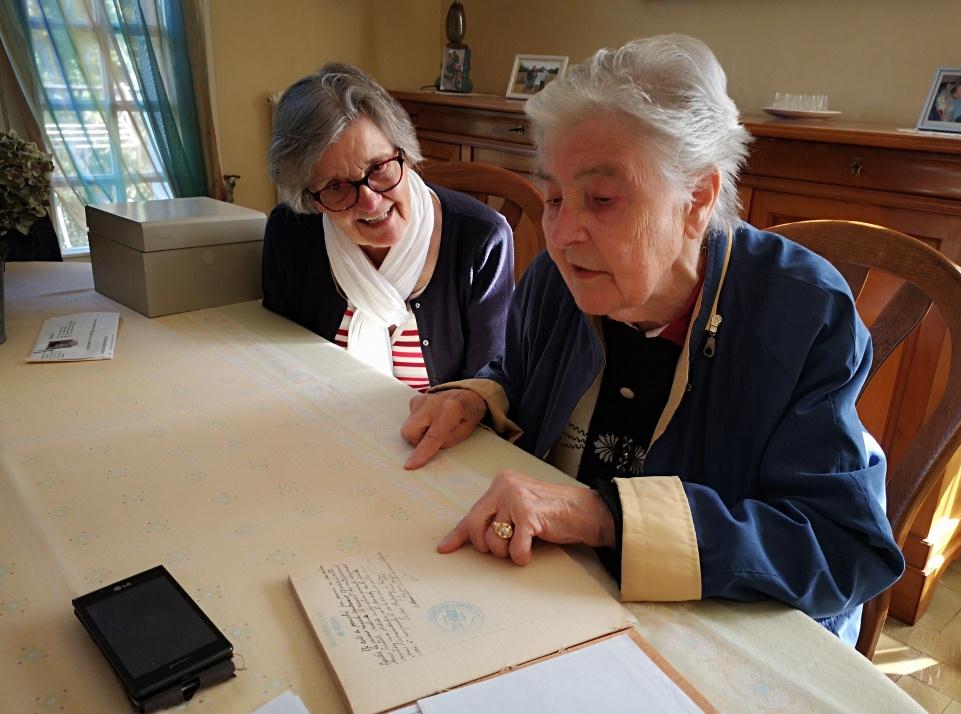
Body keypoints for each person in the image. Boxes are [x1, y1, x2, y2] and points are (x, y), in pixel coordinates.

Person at [400, 34, 904, 646]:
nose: (559, 233)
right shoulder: (559, 282)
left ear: (697, 199)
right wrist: (477, 397)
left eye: (602, 199)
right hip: (550, 598)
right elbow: (520, 374)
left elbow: (841, 545)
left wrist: (607, 517)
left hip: (717, 633)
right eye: (554, 196)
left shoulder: (803, 313)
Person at [264, 64, 514, 391]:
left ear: (405, 154)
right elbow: (278, 363)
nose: (370, 202)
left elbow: (486, 390)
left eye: (378, 167)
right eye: (336, 186)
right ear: (312, 200)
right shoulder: (290, 233)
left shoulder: (481, 241)